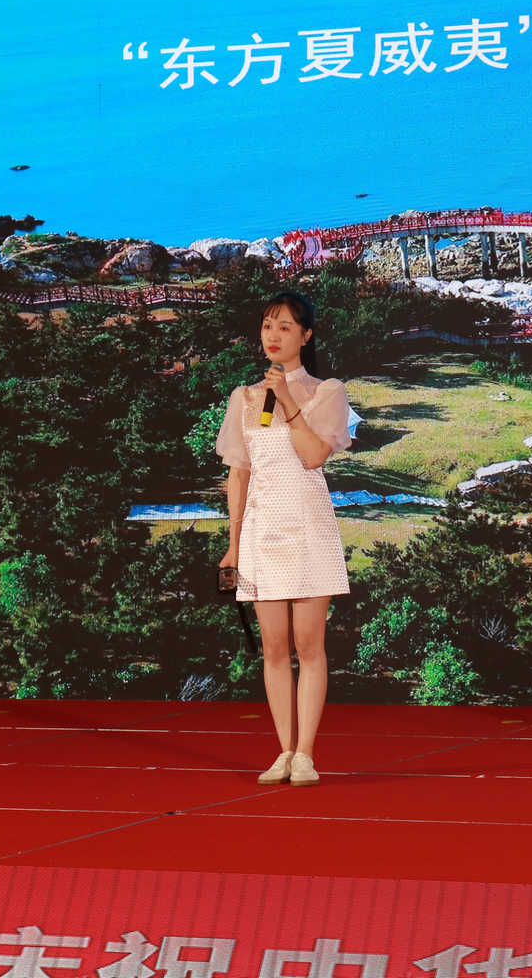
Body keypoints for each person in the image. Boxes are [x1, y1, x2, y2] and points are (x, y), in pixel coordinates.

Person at [216, 291, 353, 787]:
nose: (273, 336)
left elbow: (314, 456)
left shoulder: (327, 391)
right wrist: (233, 545)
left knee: (308, 643)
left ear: (306, 336)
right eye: (267, 326)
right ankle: (283, 750)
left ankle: (307, 755)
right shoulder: (244, 398)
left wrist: (290, 401)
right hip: (261, 532)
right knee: (273, 647)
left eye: (285, 327)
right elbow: (239, 475)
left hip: (309, 527)